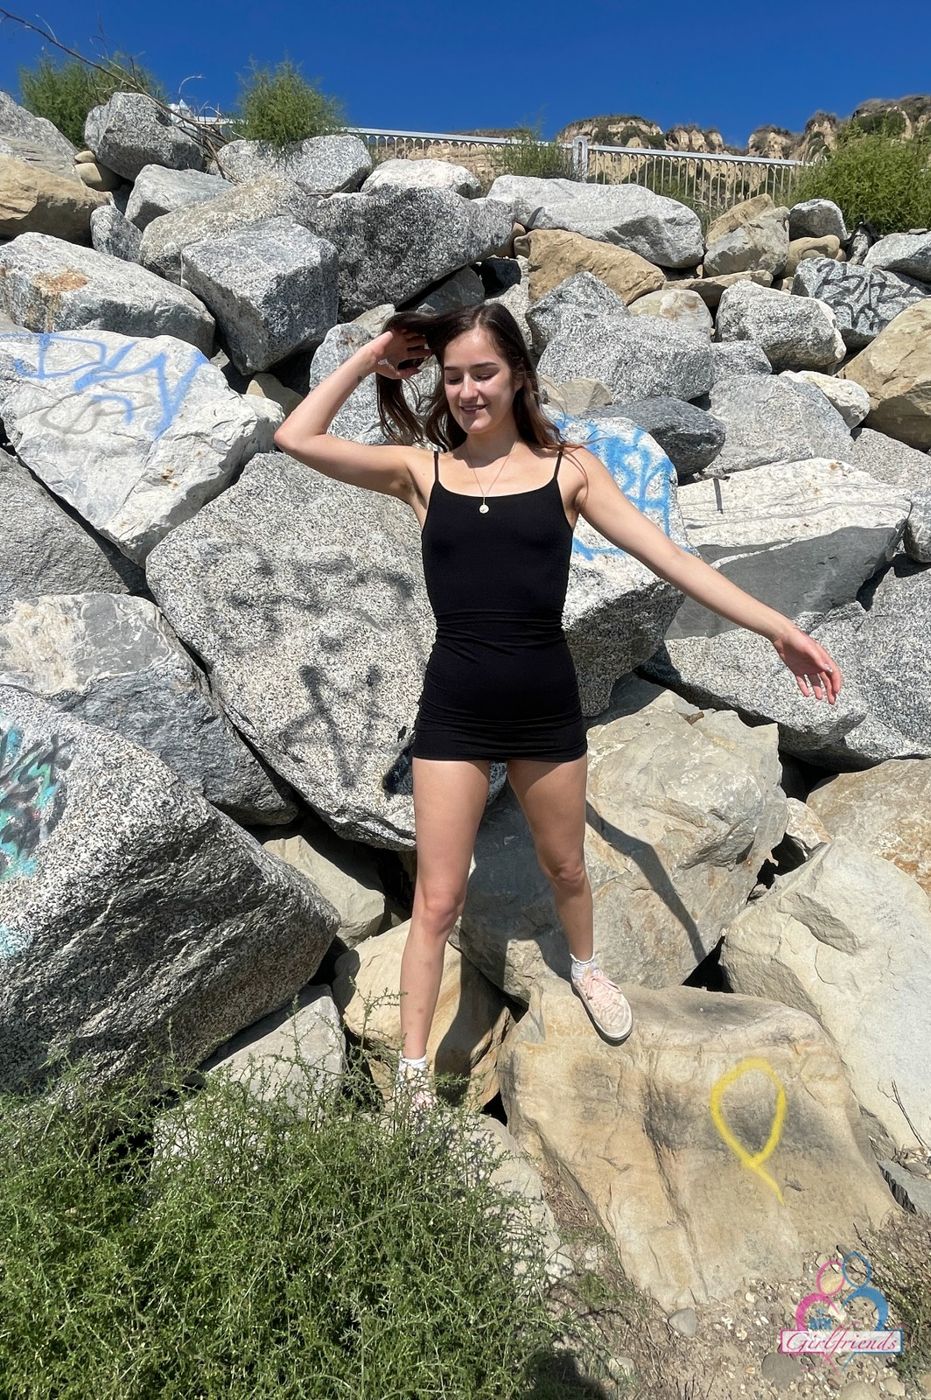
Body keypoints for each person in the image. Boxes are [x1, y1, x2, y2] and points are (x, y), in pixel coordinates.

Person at [273, 301, 843, 1112]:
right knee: (437, 900)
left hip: (544, 705)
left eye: (484, 372)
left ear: (517, 376)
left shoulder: (568, 471)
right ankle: (411, 1078)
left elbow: (670, 559)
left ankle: (585, 967)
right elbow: (294, 437)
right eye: (454, 376)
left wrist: (776, 627)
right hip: (453, 712)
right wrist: (371, 356)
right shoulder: (421, 472)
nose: (468, 391)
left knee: (566, 865)